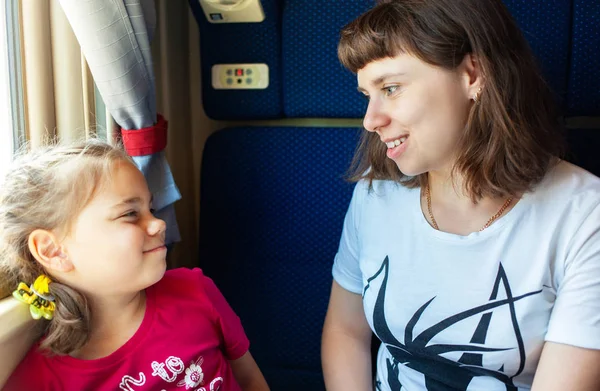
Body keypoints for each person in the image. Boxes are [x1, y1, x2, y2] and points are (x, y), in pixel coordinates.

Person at [321, 0, 600, 390]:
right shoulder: (376, 192)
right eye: (367, 94)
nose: (370, 120)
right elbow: (346, 332)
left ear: (472, 74)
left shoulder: (585, 215)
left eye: (392, 88)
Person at [0, 139, 270, 391]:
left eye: (149, 209)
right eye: (130, 214)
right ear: (53, 250)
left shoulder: (196, 292)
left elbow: (248, 379)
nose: (159, 223)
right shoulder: (41, 379)